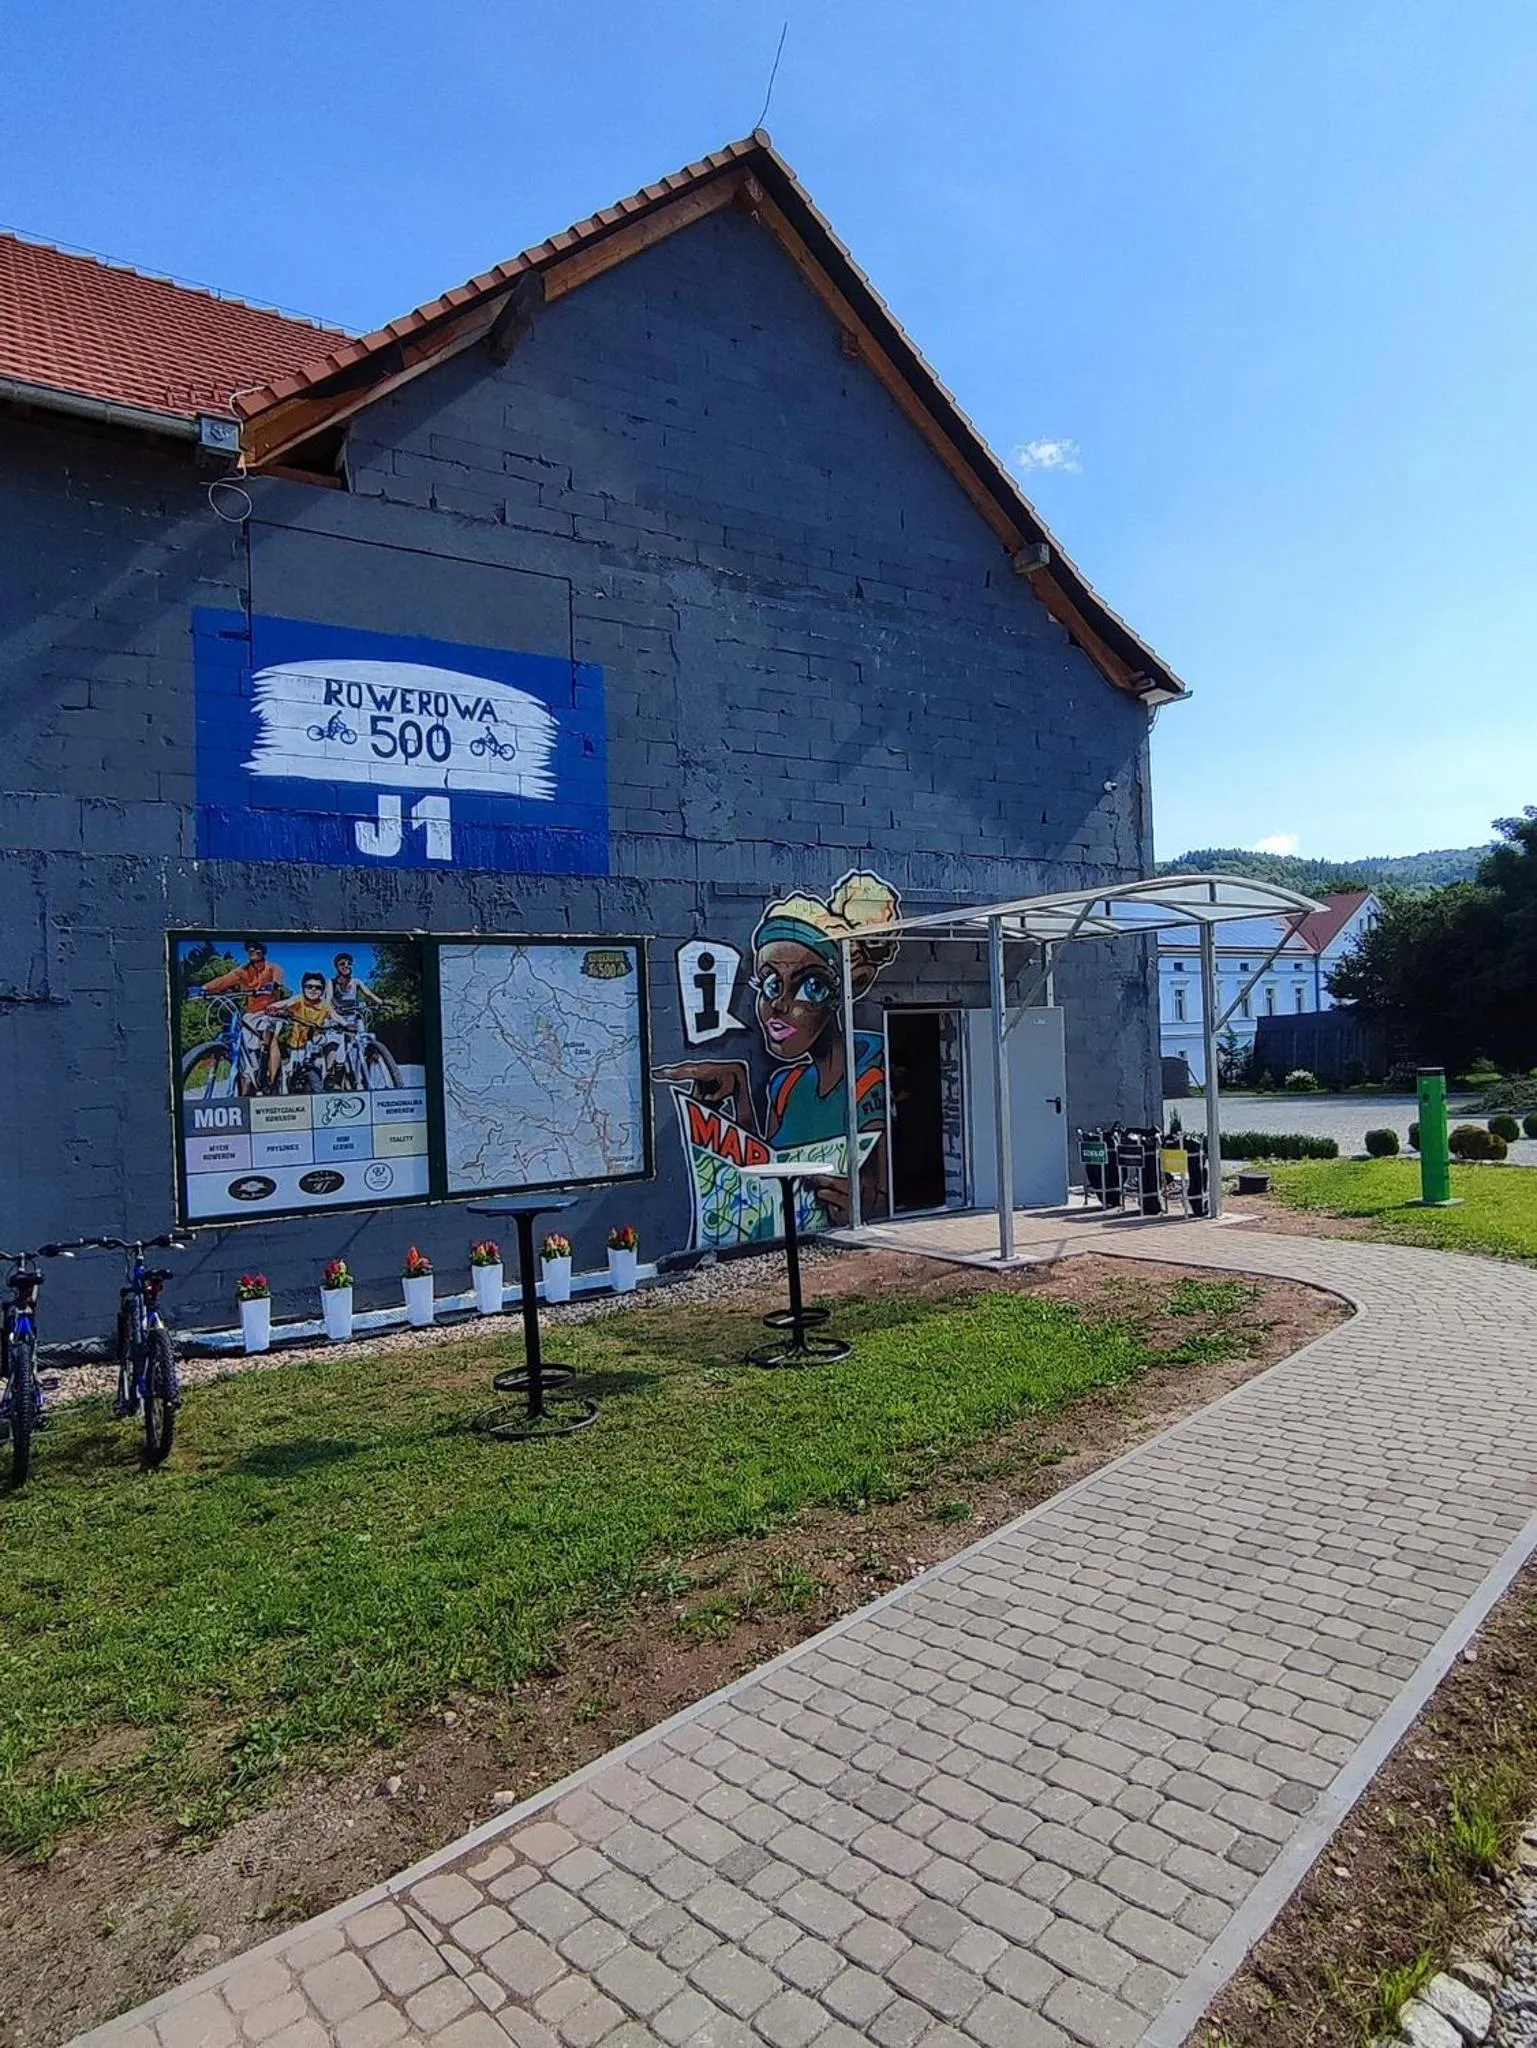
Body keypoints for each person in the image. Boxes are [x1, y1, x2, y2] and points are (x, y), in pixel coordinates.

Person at [657, 871, 901, 1227]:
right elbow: (766, 1171)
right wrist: (739, 1092)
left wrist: (867, 1203)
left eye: (810, 987)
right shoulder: (785, 1085)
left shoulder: (869, 1074)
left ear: (849, 988)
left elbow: (888, 1192)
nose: (780, 1005)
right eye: (771, 984)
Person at [200, 941, 286, 1094]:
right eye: (249, 949)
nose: (252, 950)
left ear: (263, 951)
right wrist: (204, 988)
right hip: (251, 1014)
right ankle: (246, 1081)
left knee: (271, 1038)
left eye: (256, 948)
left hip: (271, 1011)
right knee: (242, 1040)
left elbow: (278, 979)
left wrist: (273, 986)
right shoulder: (243, 971)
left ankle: (272, 1082)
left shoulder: (273, 967)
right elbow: (223, 981)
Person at [263, 973, 337, 1091]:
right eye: (309, 986)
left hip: (314, 1042)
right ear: (303, 988)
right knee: (291, 1069)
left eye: (318, 987)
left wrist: (347, 1024)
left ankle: (327, 1079)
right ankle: (280, 1085)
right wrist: (273, 1007)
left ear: (323, 991)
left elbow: (335, 1016)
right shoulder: (299, 1000)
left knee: (325, 1054)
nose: (313, 989)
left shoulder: (325, 1006)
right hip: (296, 1043)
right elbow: (286, 1003)